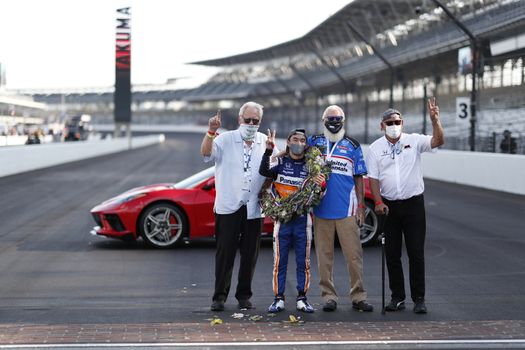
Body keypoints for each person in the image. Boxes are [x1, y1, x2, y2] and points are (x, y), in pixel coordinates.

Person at [366, 97, 444, 314]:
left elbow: (438, 141)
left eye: (397, 122)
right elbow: (373, 178)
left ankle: (419, 298)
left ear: (403, 124)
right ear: (382, 126)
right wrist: (379, 201)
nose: (394, 126)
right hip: (388, 207)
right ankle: (397, 297)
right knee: (391, 254)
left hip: (413, 205)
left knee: (416, 252)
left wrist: (435, 121)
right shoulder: (374, 148)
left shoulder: (415, 140)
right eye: (389, 123)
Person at [201, 101, 277, 312]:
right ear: (239, 120)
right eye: (248, 120)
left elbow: (278, 166)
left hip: (254, 207)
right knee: (225, 253)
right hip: (228, 205)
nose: (251, 124)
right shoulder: (224, 139)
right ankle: (219, 296)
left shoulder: (265, 140)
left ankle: (244, 295)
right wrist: (211, 131)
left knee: (250, 254)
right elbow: (206, 154)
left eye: (256, 121)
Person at [308, 105, 373, 313]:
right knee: (324, 256)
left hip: (347, 209)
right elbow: (295, 151)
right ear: (323, 120)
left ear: (343, 121)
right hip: (320, 209)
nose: (334, 121)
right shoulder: (314, 142)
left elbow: (359, 177)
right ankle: (329, 296)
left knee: (354, 255)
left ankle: (358, 295)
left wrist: (361, 205)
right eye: (330, 118)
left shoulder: (352, 146)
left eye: (338, 118)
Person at [259, 129, 325, 313]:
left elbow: (320, 190)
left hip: (303, 221)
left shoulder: (312, 166)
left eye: (302, 140)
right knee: (279, 261)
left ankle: (302, 298)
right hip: (282, 221)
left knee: (303, 262)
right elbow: (263, 171)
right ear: (288, 142)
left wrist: (322, 183)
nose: (298, 142)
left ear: (306, 144)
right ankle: (278, 298)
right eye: (295, 139)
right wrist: (268, 150)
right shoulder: (280, 161)